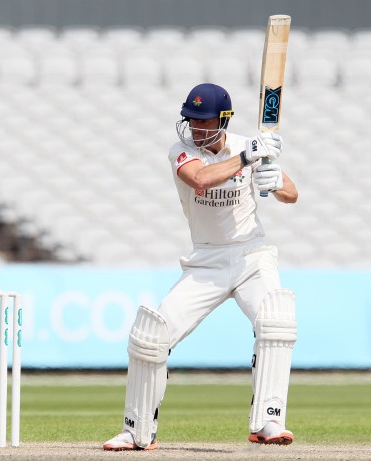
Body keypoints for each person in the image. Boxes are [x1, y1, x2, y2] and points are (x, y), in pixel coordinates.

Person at [103, 83, 299, 451]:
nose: (196, 128)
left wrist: (276, 182)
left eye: (204, 121)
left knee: (275, 320)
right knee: (152, 336)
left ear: (223, 120)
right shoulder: (182, 151)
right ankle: (136, 430)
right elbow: (199, 179)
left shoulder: (247, 146)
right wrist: (248, 157)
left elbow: (292, 195)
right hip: (207, 260)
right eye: (191, 120)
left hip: (252, 255)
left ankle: (269, 421)